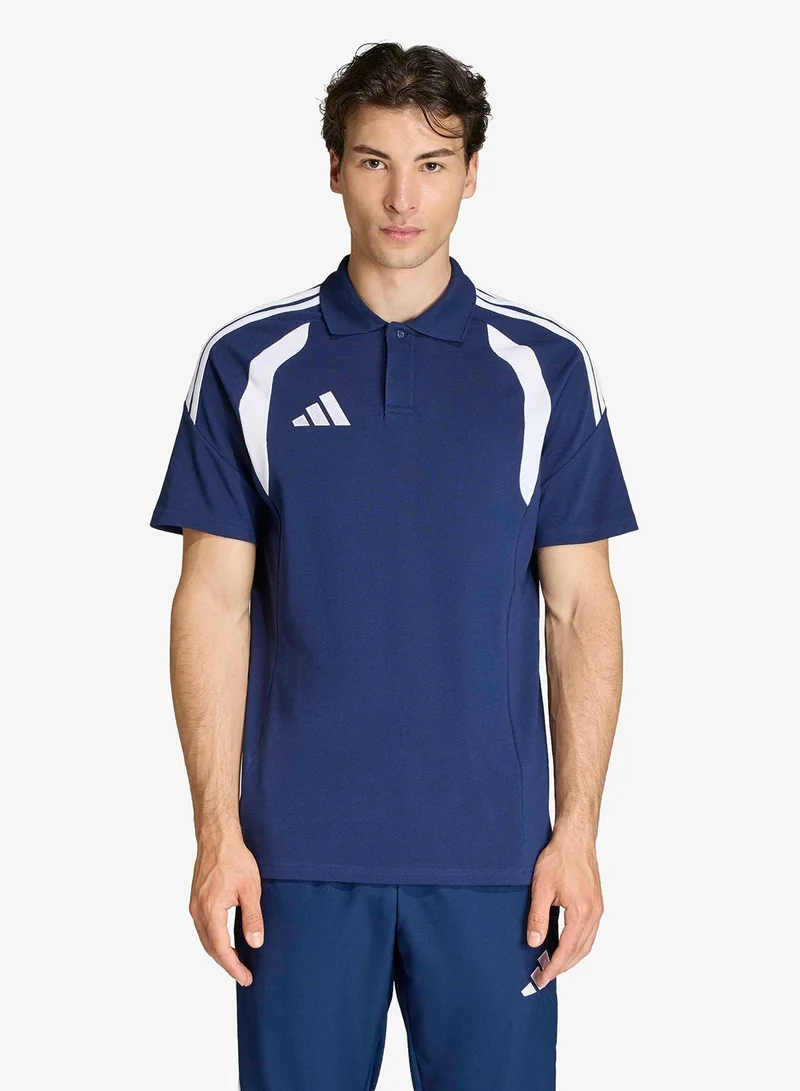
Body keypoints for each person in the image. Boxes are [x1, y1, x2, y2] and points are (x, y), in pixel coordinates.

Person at [149, 40, 639, 1091]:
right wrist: (216, 834)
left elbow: (578, 612)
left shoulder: (543, 370)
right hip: (295, 863)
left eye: (431, 163)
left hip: (495, 864)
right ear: (333, 169)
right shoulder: (250, 364)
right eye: (374, 161)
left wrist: (578, 834)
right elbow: (212, 605)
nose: (402, 197)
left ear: (472, 174)